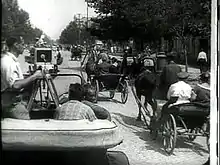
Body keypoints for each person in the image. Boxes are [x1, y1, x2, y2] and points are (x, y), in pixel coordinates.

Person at [1, 37, 43, 119]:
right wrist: (34, 76)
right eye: (22, 44)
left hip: (12, 101)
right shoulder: (8, 62)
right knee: (26, 122)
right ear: (16, 45)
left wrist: (30, 77)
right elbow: (15, 85)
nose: (24, 47)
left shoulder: (10, 60)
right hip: (11, 104)